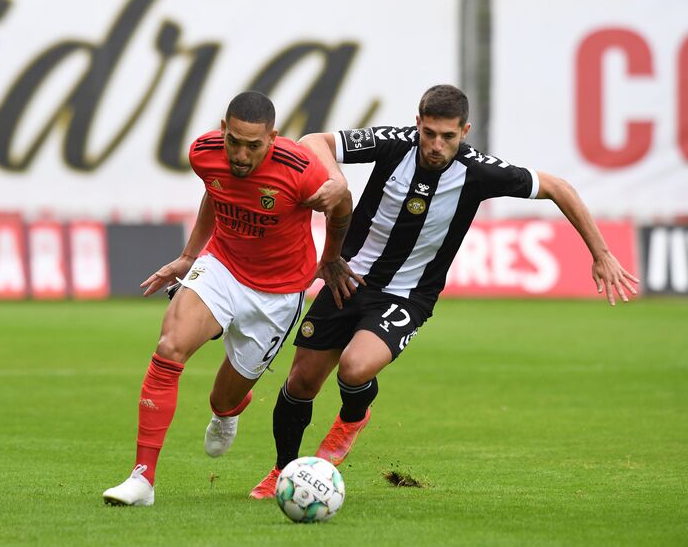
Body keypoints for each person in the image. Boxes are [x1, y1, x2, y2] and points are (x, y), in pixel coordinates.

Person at [249, 84, 640, 498]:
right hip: (348, 276)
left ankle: (352, 416)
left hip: (407, 294)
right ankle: (282, 470)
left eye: (448, 137)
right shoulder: (393, 143)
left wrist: (601, 254)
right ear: (417, 123)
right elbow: (313, 141)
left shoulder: (479, 171)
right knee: (301, 381)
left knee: (355, 367)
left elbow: (558, 187)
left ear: (465, 131)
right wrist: (335, 178)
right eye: (429, 133)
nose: (436, 145)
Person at [102, 91, 362, 506]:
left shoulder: (301, 169)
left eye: (253, 146)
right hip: (222, 266)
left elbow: (342, 203)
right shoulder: (204, 152)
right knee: (170, 346)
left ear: (273, 138)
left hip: (276, 295)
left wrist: (331, 257)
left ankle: (227, 412)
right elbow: (215, 191)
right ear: (223, 129)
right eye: (234, 141)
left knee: (221, 398)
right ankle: (142, 480)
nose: (240, 155)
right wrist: (190, 256)